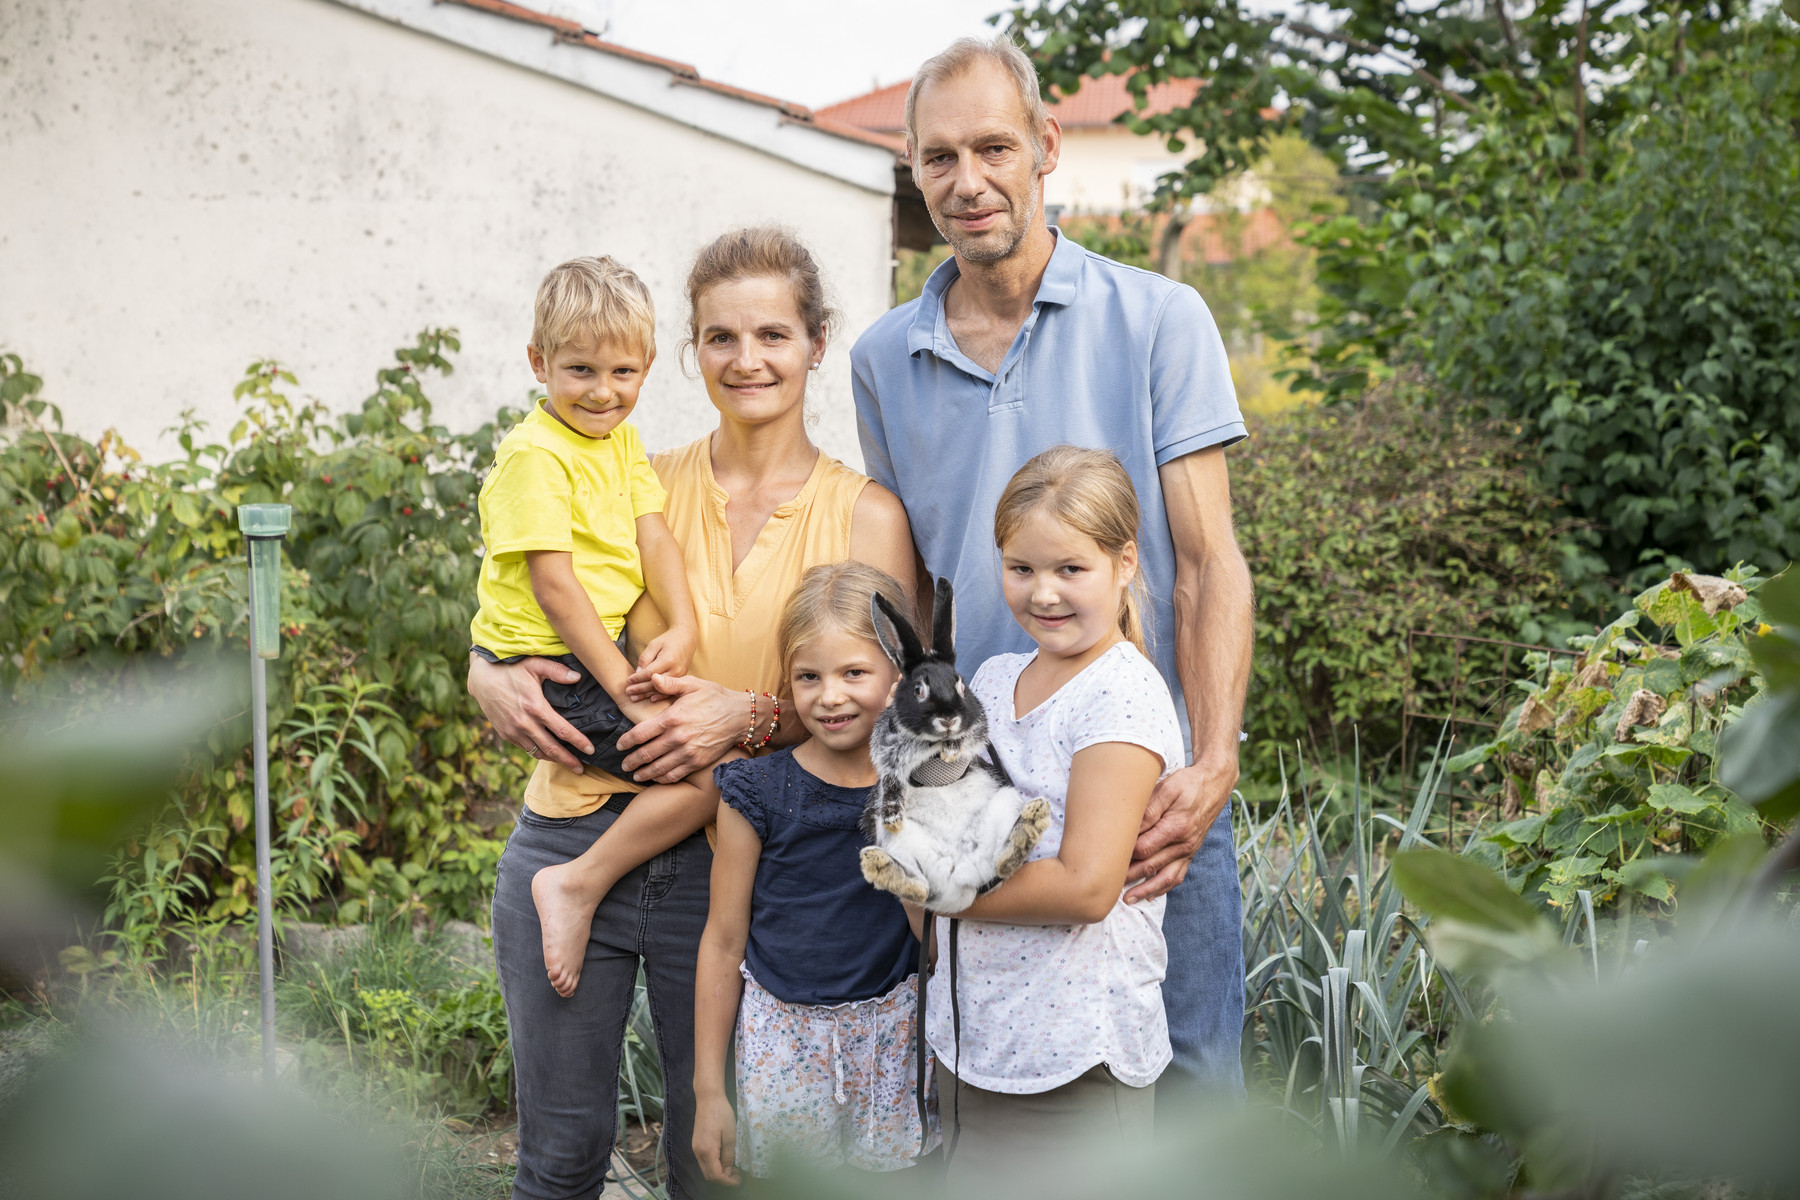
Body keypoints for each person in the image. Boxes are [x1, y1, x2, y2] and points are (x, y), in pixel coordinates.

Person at [850, 35, 1256, 1105]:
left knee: (1194, 1099)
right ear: (915, 171)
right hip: (985, 801)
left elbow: (1210, 564)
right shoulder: (882, 361)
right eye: (939, 158)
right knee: (1005, 1100)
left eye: (993, 147)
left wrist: (1211, 764)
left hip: (1148, 790)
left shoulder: (1161, 319)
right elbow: (913, 603)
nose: (968, 181)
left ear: (1046, 147)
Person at [471, 226, 916, 1200]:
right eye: (720, 338)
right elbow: (526, 586)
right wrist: (483, 669)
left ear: (816, 343)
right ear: (692, 352)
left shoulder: (866, 515)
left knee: (711, 1171)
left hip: (741, 875)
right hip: (567, 828)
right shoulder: (632, 470)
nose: (746, 360)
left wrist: (748, 718)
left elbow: (888, 716)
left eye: (772, 335)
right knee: (555, 1163)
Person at [929, 446, 1187, 1179]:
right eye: (1022, 569)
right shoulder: (997, 676)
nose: (1043, 593)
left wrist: (935, 888)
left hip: (1071, 1055)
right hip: (975, 1040)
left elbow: (1084, 887)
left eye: (1070, 569)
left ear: (1124, 562)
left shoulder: (1120, 696)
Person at [468, 255, 719, 1001]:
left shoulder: (618, 444)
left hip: (591, 653)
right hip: (554, 662)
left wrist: (683, 625)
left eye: (623, 372)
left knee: (700, 762)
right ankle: (573, 887)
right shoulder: (535, 456)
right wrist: (624, 685)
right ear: (539, 363)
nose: (603, 392)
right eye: (580, 370)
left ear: (645, 367)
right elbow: (554, 586)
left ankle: (583, 882)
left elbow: (654, 537)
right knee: (709, 774)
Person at [691, 562, 939, 1187]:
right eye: (809, 677)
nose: (830, 696)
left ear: (898, 677)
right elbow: (723, 942)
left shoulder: (922, 789)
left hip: (893, 1039)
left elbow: (938, 944)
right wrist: (708, 1094)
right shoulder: (757, 791)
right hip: (784, 1047)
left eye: (854, 672)